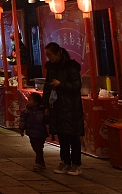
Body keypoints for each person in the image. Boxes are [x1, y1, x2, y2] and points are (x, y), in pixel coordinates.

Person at [44, 42, 84, 176]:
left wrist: (61, 84)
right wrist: (46, 105)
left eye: (50, 54)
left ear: (58, 53)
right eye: (47, 55)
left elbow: (76, 86)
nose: (48, 57)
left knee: (73, 136)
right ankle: (65, 162)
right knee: (62, 136)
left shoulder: (70, 67)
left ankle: (76, 164)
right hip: (57, 106)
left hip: (70, 107)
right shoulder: (51, 68)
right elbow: (47, 87)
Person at [19, 92, 48, 171]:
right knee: (34, 146)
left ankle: (38, 163)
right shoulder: (26, 111)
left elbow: (46, 121)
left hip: (41, 133)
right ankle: (41, 162)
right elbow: (22, 120)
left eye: (30, 100)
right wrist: (22, 129)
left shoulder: (42, 110)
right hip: (31, 132)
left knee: (39, 148)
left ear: (36, 102)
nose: (28, 101)